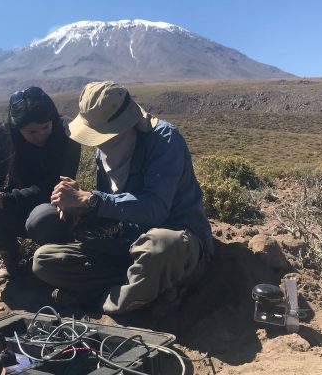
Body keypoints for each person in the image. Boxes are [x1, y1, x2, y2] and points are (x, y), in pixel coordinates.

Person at [33, 81, 213, 314]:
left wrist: (91, 200)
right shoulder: (105, 150)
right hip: (129, 246)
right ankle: (141, 290)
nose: (96, 143)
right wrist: (80, 209)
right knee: (44, 260)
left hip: (176, 246)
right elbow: (113, 211)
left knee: (159, 245)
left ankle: (112, 301)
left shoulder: (164, 140)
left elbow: (156, 210)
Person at [0, 86, 81, 283]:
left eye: (45, 127)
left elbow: (57, 186)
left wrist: (5, 199)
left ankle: (54, 261)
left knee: (43, 219)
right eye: (31, 132)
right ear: (17, 128)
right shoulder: (1, 132)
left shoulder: (67, 130)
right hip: (17, 205)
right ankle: (11, 253)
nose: (41, 135)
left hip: (53, 203)